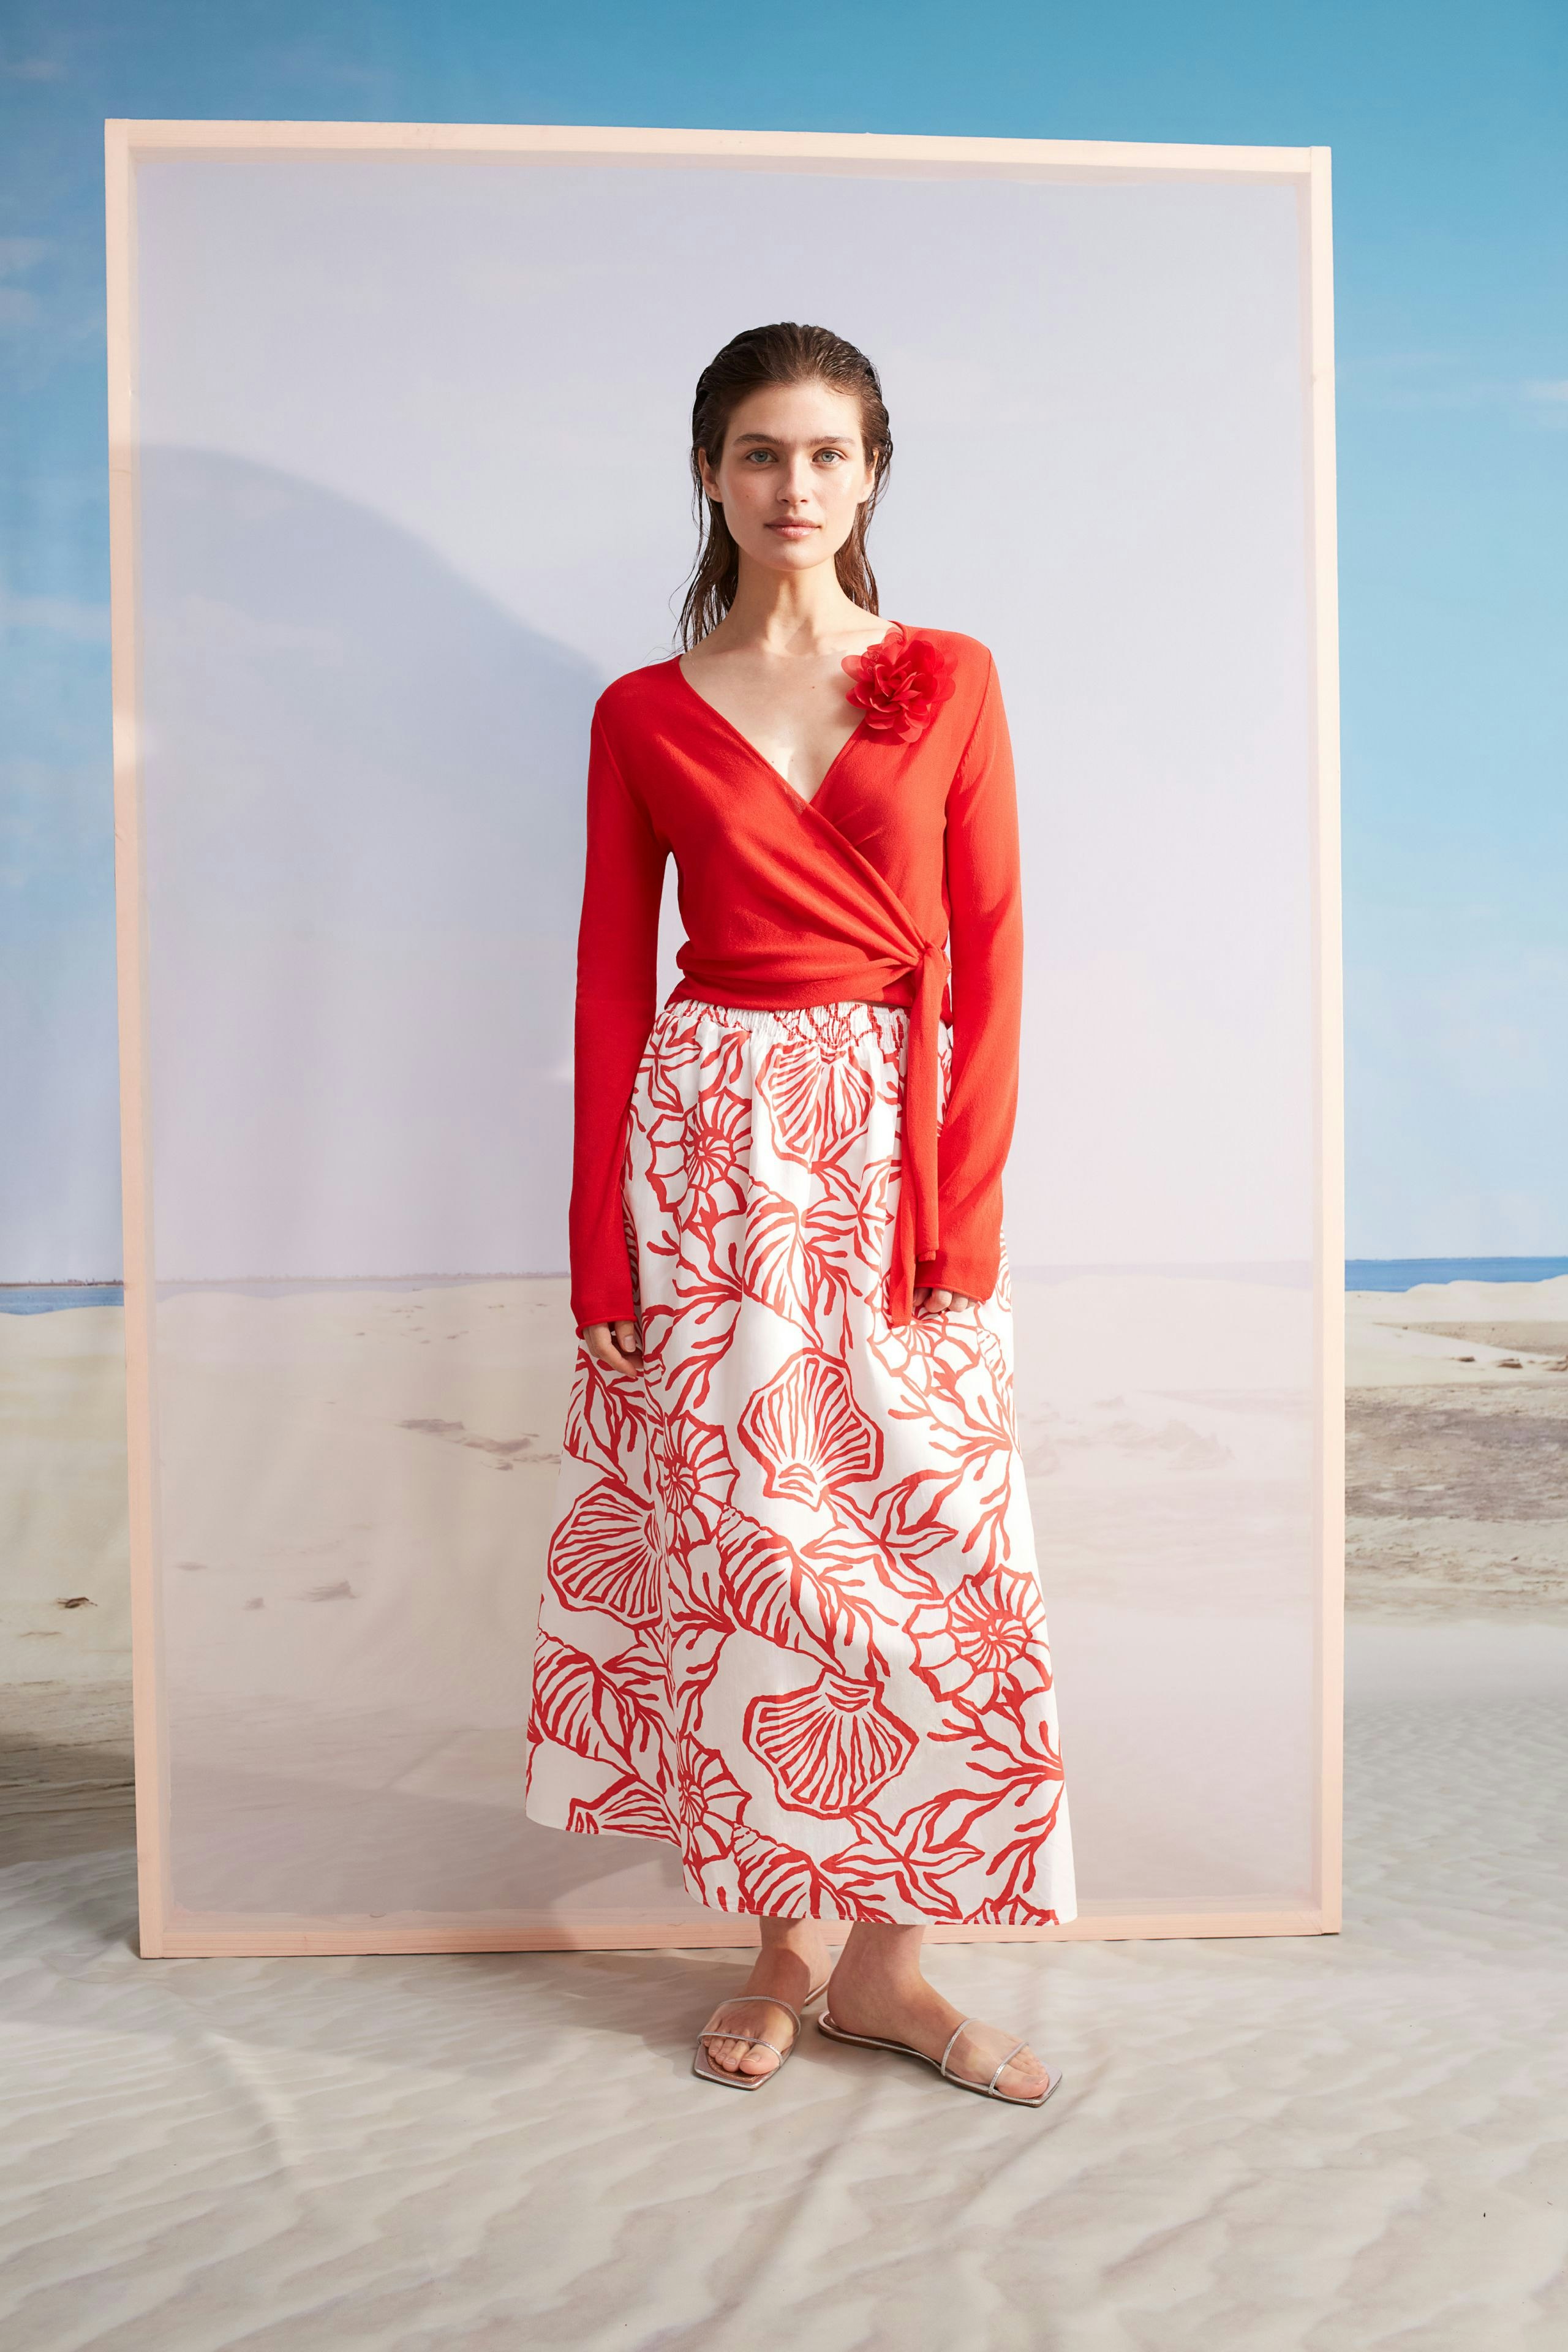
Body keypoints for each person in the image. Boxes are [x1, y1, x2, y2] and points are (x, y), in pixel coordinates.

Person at [524, 322, 1075, 2106]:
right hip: (706, 1147)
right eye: (761, 453)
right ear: (709, 471)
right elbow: (613, 989)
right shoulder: (641, 711)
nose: (795, 486)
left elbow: (989, 965)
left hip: (894, 1149)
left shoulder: (955, 676)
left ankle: (893, 1973)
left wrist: (960, 1218)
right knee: (752, 1555)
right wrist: (601, 1251)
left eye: (829, 455)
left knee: (933, 1558)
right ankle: (781, 1947)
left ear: (872, 474)